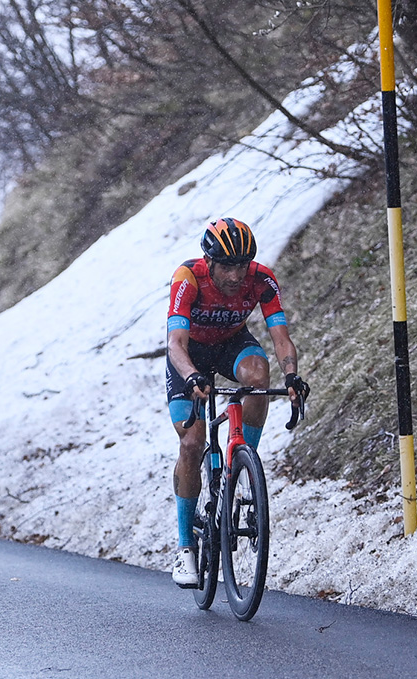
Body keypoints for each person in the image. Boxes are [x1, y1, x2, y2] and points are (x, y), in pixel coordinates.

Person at [166, 218, 309, 588]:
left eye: (241, 265)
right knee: (193, 442)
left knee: (259, 377)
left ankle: (240, 466)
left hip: (230, 344)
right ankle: (185, 548)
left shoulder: (261, 279)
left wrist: (291, 376)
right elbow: (175, 345)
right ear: (209, 262)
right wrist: (192, 376)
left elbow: (280, 337)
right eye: (226, 266)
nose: (234, 275)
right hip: (191, 354)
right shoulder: (188, 278)